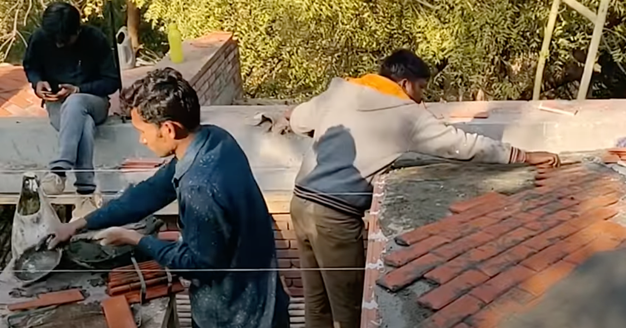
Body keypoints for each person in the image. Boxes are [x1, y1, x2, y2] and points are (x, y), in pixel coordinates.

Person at [285, 49, 560, 328]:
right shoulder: (406, 114)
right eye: (421, 88)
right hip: (334, 216)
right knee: (349, 308)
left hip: (300, 202)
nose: (422, 97)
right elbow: (461, 145)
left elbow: (296, 120)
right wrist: (521, 156)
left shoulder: (342, 90)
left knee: (316, 302)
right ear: (405, 84)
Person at [49, 68, 290, 328]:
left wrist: (135, 238)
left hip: (235, 313)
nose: (142, 140)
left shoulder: (199, 185)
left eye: (143, 130)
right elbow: (151, 191)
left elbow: (196, 266)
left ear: (168, 129)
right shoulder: (214, 138)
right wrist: (79, 224)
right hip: (264, 294)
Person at [23, 2, 120, 218]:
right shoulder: (40, 39)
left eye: (64, 40)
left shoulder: (95, 40)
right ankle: (85, 194)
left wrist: (78, 89)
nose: (59, 45)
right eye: (54, 40)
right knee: (82, 123)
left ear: (77, 31)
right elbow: (31, 67)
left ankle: (58, 170)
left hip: (94, 101)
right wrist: (38, 84)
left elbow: (112, 82)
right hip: (57, 106)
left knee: (76, 102)